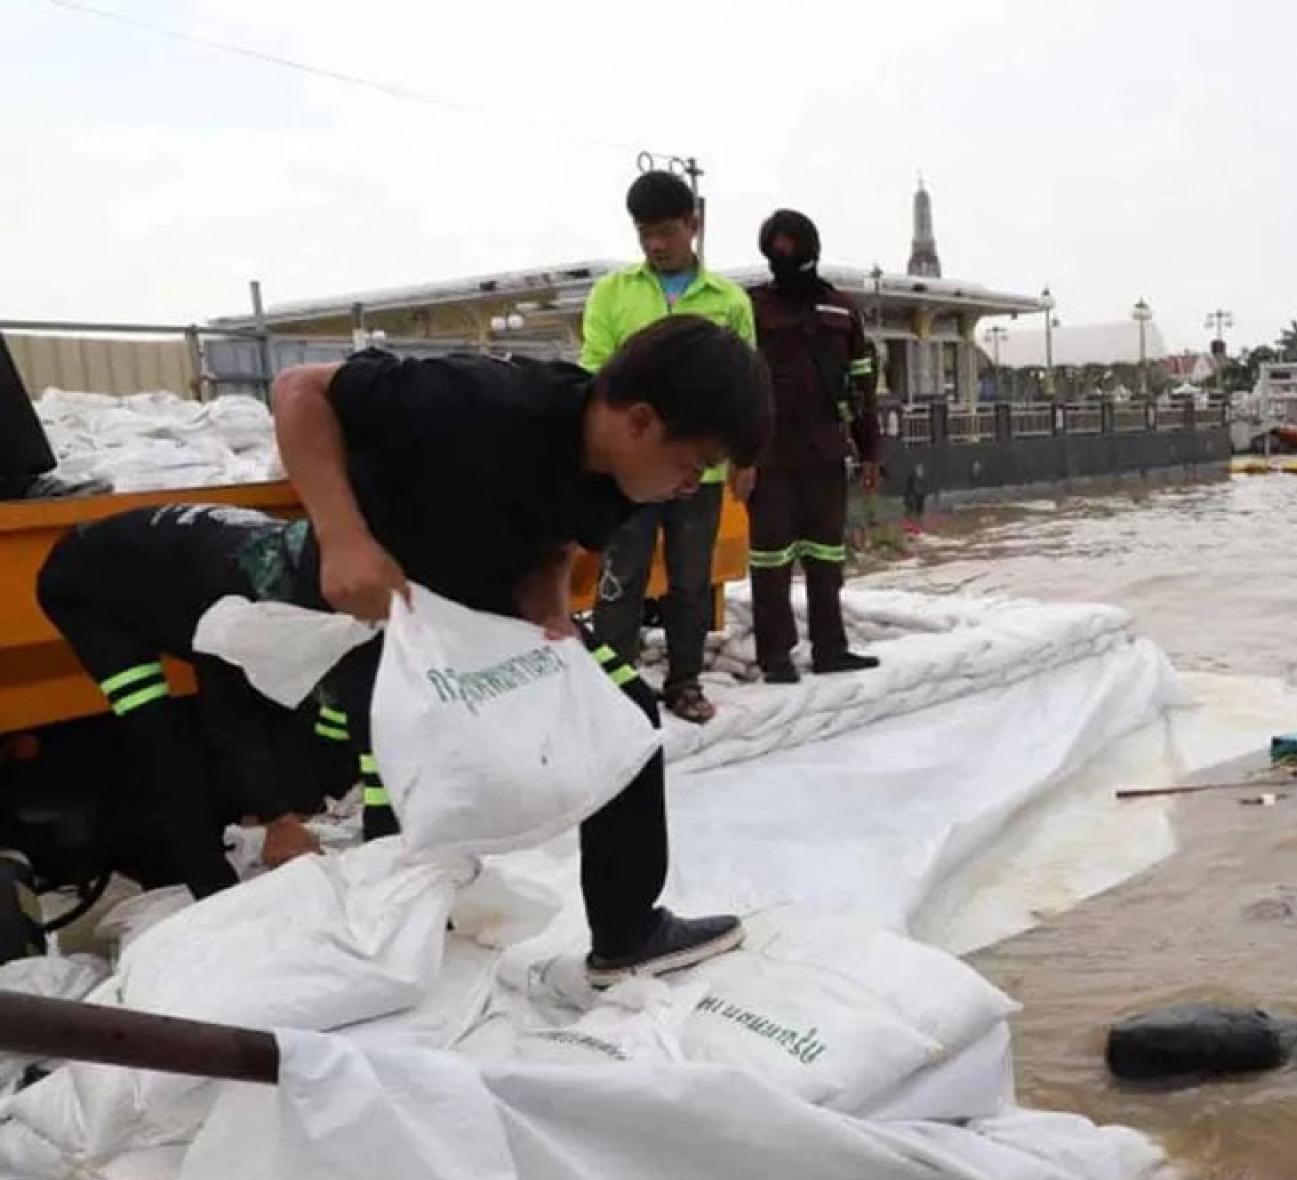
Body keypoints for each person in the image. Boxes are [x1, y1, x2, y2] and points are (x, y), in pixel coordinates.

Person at [271, 316, 771, 987]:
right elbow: (300, 390)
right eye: (692, 466)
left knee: (623, 716)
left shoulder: (617, 477)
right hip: (378, 594)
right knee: (407, 763)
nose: (691, 486)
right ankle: (384, 951)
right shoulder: (481, 401)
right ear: (642, 422)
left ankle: (628, 931)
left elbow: (558, 533)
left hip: (481, 592)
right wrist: (342, 538)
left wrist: (550, 605)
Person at [33, 504, 337, 900]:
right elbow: (228, 715)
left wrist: (302, 801)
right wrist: (278, 819)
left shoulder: (300, 562)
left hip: (163, 578)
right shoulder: (230, 600)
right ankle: (214, 893)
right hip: (88, 590)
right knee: (163, 740)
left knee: (270, 704)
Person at [579, 170, 756, 725]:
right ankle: (614, 686)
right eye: (643, 233)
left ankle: (684, 684)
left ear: (693, 226)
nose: (655, 244)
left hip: (698, 475)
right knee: (620, 577)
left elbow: (747, 387)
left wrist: (746, 457)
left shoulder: (728, 301)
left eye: (665, 232)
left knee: (689, 580)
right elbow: (594, 375)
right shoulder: (614, 293)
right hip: (630, 473)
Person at [740, 209, 882, 683]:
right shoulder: (752, 308)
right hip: (769, 458)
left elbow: (863, 387)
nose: (785, 257)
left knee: (826, 560)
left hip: (825, 453)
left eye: (792, 248)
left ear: (812, 251)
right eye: (775, 249)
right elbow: (737, 387)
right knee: (770, 562)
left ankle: (831, 649)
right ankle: (775, 657)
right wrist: (741, 458)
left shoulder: (842, 310)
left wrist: (871, 453)